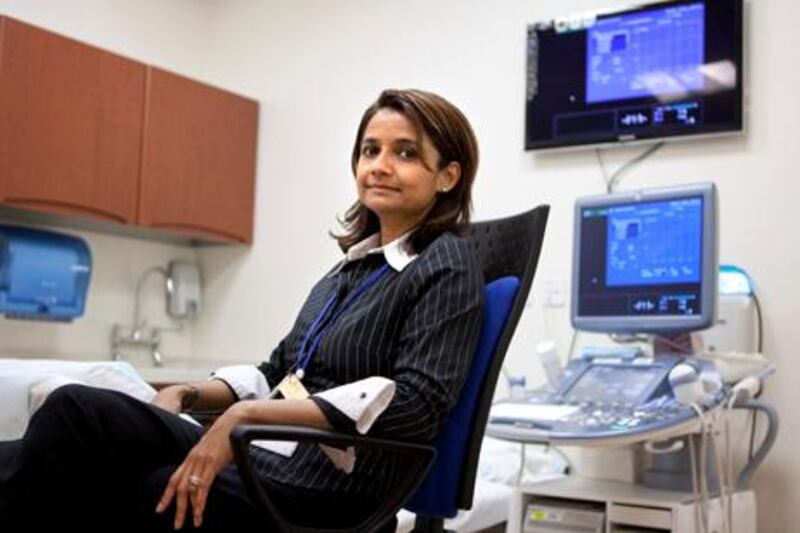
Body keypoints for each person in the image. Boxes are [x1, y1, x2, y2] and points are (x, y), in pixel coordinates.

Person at [0, 88, 483, 531]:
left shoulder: (445, 262)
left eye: (405, 153)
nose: (379, 165)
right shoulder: (349, 270)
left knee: (77, 411)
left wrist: (241, 416)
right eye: (369, 149)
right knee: (84, 453)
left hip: (328, 488)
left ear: (448, 175)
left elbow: (417, 405)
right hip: (271, 455)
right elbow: (278, 369)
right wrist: (187, 394)